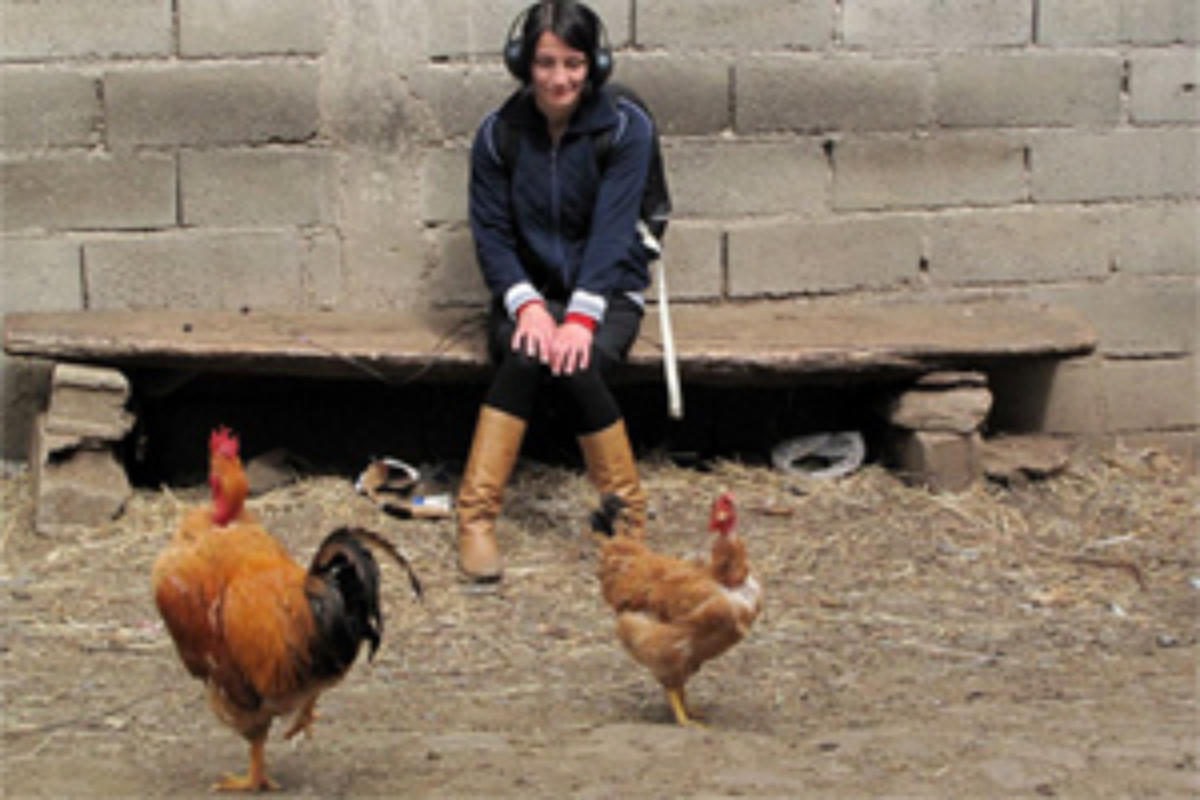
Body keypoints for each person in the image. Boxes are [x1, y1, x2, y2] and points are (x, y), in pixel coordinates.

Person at [457, 0, 654, 581]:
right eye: (546, 63)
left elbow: (615, 230)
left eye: (573, 63)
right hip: (528, 295)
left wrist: (582, 317)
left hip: (609, 291)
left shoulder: (626, 129)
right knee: (526, 353)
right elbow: (491, 234)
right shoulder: (497, 135)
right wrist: (528, 305)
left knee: (576, 361)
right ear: (523, 62)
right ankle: (476, 520)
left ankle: (627, 524)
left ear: (595, 63)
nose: (560, 78)